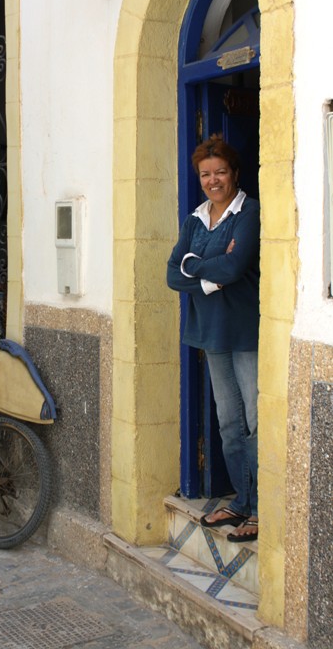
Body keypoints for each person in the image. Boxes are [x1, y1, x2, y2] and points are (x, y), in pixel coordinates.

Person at [167, 133, 260, 542]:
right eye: (206, 174)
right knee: (228, 423)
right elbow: (172, 274)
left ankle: (261, 509)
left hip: (245, 332)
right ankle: (241, 500)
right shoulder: (195, 219)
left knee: (256, 422)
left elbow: (236, 267)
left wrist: (196, 267)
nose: (213, 180)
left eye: (220, 171)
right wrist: (209, 274)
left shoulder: (249, 212)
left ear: (234, 173)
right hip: (210, 333)